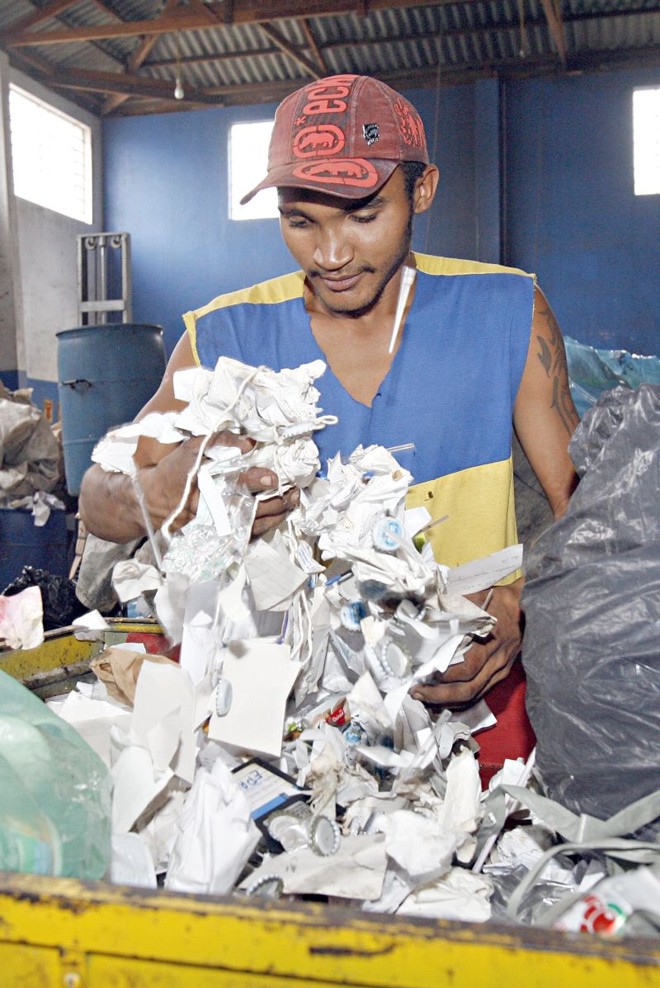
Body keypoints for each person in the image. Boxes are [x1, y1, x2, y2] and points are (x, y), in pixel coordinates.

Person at [79, 74, 579, 752]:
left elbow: (583, 519)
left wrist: (522, 607)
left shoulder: (507, 313)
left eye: (364, 216)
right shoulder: (226, 339)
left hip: (473, 710)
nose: (332, 254)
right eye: (301, 221)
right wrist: (166, 492)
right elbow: (96, 502)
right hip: (287, 731)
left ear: (422, 191)